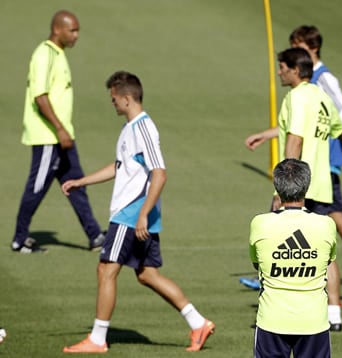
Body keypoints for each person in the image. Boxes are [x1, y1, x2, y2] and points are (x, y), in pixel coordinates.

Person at [61, 71, 214, 353]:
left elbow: (160, 173)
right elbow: (120, 167)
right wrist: (82, 181)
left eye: (115, 100)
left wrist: (143, 213)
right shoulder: (129, 128)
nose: (113, 104)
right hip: (136, 212)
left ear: (127, 98)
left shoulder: (144, 128)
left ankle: (97, 339)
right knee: (147, 274)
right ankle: (198, 322)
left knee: (106, 269)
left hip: (130, 213)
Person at [243, 25, 342, 331]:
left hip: (298, 187)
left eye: (282, 68)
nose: (278, 73)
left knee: (276, 245)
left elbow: (296, 140)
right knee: (324, 252)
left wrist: (283, 186)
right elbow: (341, 131)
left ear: (293, 71)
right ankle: (335, 315)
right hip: (321, 184)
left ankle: (274, 311)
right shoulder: (320, 97)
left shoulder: (298, 97)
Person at [12, 10, 105, 253]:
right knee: (37, 186)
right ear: (57, 30)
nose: (76, 36)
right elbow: (40, 97)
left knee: (76, 185)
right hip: (48, 137)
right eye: (72, 30)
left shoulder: (59, 54)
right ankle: (20, 239)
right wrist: (60, 130)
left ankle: (95, 235)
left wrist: (65, 133)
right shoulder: (44, 55)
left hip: (62, 136)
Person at [250, 158, 336, 358]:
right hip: (314, 321)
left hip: (272, 319)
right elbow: (328, 262)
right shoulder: (325, 224)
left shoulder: (260, 223)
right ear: (307, 186)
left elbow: (257, 264)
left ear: (277, 187)